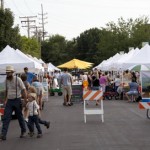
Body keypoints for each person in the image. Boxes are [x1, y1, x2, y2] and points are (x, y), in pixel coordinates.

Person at [0, 66, 27, 141]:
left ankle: (23, 131)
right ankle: (3, 134)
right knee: (6, 118)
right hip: (9, 101)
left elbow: (24, 89)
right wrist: (4, 101)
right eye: (6, 72)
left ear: (12, 72)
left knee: (20, 117)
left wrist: (25, 100)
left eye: (8, 72)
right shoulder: (6, 80)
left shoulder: (17, 79)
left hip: (17, 100)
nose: (7, 73)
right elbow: (6, 91)